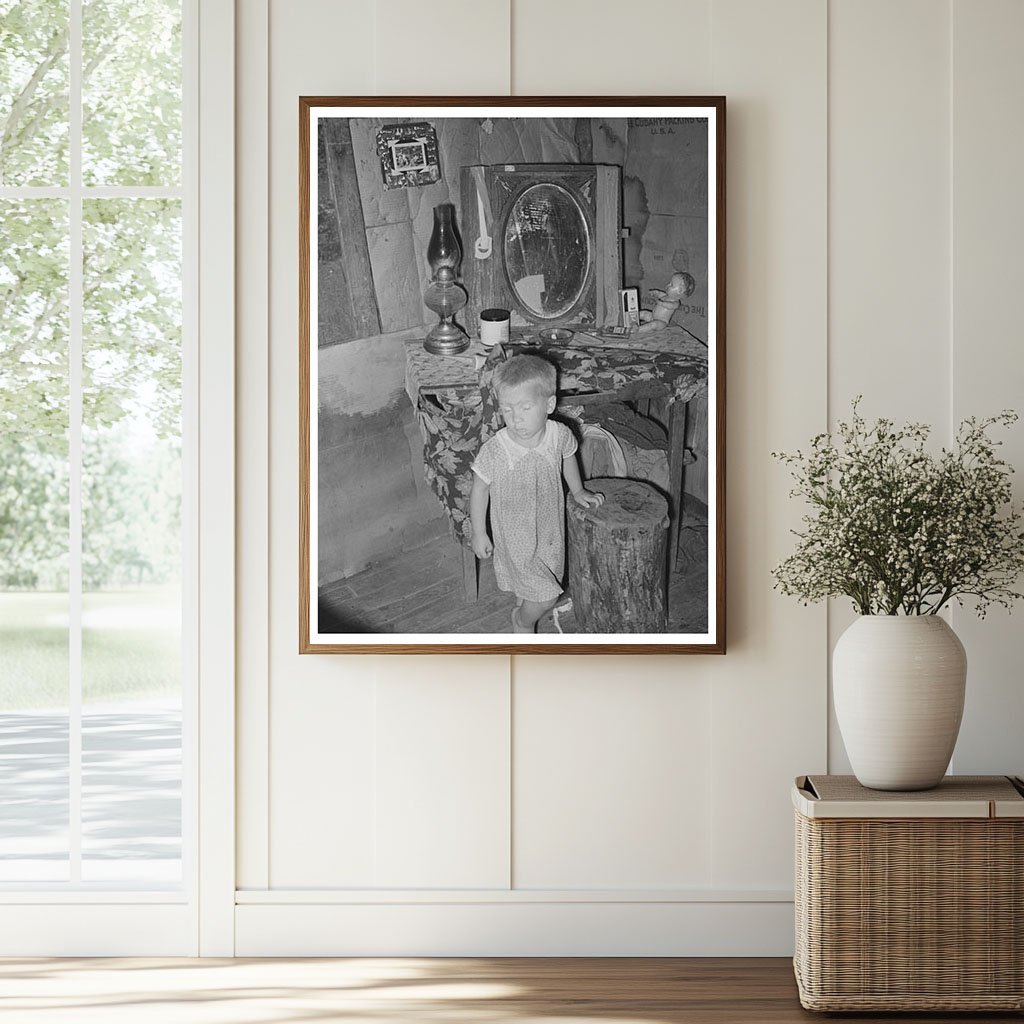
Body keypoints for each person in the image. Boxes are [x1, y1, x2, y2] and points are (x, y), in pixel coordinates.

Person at [469, 354, 604, 633]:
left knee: (539, 579)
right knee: (546, 595)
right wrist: (479, 532)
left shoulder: (559, 434)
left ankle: (522, 610)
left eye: (525, 408)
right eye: (507, 410)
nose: (516, 419)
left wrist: (577, 490)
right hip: (515, 535)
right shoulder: (497, 449)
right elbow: (479, 489)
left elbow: (568, 455)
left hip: (549, 530)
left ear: (549, 404)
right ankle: (523, 621)